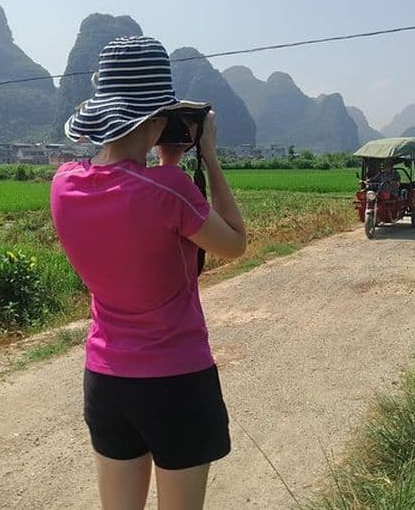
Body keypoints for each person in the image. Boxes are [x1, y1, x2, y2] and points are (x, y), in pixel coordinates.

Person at [50, 35, 246, 510]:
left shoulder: (63, 185)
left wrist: (169, 164)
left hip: (106, 379)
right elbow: (235, 245)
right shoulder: (170, 189)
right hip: (175, 380)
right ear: (158, 120)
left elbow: (132, 216)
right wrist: (210, 159)